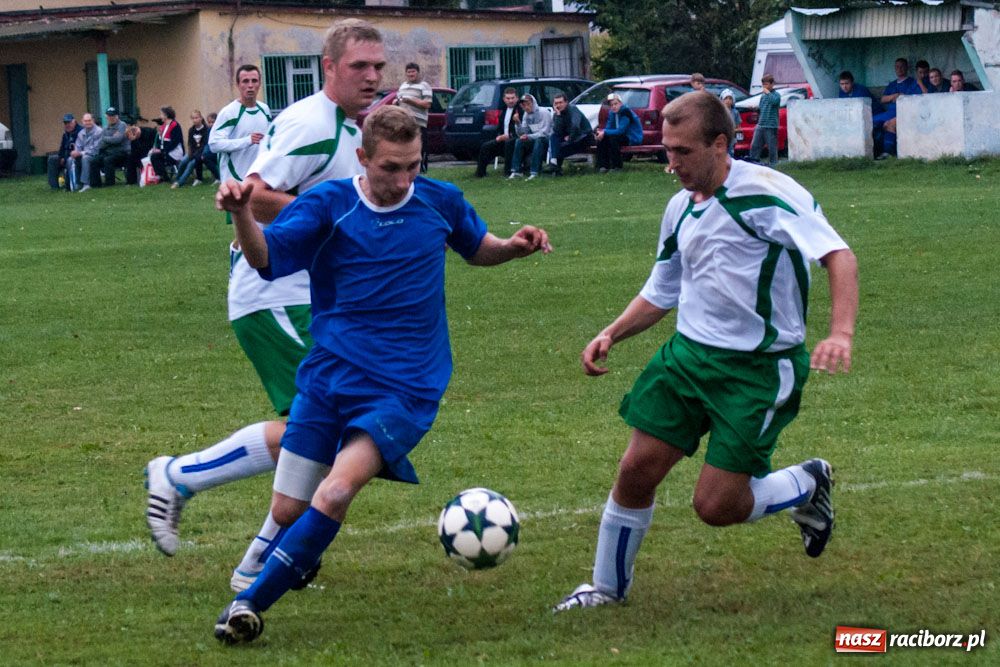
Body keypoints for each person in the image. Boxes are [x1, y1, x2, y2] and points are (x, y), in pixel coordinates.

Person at [212, 104, 552, 645]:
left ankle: (247, 605)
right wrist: (242, 215)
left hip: (405, 385)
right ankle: (290, 561)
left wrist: (511, 248)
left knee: (337, 491)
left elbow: (477, 248)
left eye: (413, 166)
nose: (403, 180)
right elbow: (264, 259)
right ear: (362, 157)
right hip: (329, 378)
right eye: (390, 167)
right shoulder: (330, 204)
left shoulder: (441, 201)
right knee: (287, 508)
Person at [553, 91, 858, 613]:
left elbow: (838, 255)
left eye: (682, 152)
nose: (671, 164)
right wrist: (613, 331)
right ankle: (605, 587)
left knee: (716, 507)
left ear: (721, 144)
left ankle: (807, 482)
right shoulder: (679, 208)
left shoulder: (769, 194)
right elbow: (663, 287)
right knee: (635, 471)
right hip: (687, 359)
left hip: (758, 369)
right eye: (666, 151)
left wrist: (840, 333)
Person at [145, 20, 385, 596]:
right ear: (329, 68)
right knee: (330, 431)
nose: (373, 77)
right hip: (273, 291)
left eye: (379, 66)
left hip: (309, 296)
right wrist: (339, 225)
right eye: (360, 67)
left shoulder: (355, 126)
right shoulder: (311, 122)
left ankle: (257, 552)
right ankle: (187, 483)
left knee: (332, 431)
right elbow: (255, 194)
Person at [209, 65, 272, 184]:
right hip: (234, 181)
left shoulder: (265, 109)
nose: (250, 86)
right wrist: (247, 140)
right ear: (238, 85)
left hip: (260, 180)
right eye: (245, 81)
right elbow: (214, 144)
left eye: (254, 81)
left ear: (259, 84)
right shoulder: (229, 112)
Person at [874, 58, 922, 158]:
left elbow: (914, 100)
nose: (899, 69)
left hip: (903, 113)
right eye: (897, 67)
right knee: (871, 122)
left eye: (901, 66)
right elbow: (883, 99)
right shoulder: (892, 84)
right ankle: (874, 151)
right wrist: (894, 96)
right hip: (889, 112)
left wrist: (901, 96)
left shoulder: (912, 82)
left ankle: (888, 152)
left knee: (888, 124)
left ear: (907, 68)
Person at [395, 62, 433, 173]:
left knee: (419, 147)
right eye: (408, 72)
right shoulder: (403, 86)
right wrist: (396, 102)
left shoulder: (424, 86)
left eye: (413, 72)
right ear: (406, 73)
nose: (411, 74)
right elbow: (400, 100)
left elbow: (427, 104)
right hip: (404, 123)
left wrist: (410, 100)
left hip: (418, 123)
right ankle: (407, 169)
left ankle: (422, 168)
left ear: (418, 72)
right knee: (405, 147)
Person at [474, 87, 520, 178]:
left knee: (509, 143)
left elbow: (522, 129)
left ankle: (508, 172)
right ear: (504, 99)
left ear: (517, 98)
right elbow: (500, 128)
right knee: (486, 146)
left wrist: (510, 134)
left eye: (512, 98)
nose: (510, 101)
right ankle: (480, 173)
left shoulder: (520, 110)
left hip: (515, 140)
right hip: (503, 138)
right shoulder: (503, 111)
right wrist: (499, 136)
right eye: (508, 98)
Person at [545, 91, 593, 176]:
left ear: (566, 102)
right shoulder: (558, 113)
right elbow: (557, 131)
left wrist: (570, 138)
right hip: (571, 137)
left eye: (561, 102)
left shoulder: (573, 109)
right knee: (553, 137)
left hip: (584, 137)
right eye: (556, 103)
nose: (558, 105)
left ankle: (555, 168)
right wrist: (558, 115)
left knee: (558, 148)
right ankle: (554, 164)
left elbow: (576, 126)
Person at [594, 93, 642, 173]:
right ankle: (603, 166)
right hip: (620, 136)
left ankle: (617, 166)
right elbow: (609, 127)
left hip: (631, 137)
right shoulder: (612, 113)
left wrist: (605, 131)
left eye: (616, 104)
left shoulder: (625, 112)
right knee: (603, 138)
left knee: (614, 139)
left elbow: (621, 130)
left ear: (621, 103)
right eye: (611, 105)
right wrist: (601, 133)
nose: (613, 106)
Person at [508, 93, 552, 180]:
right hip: (534, 139)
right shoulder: (526, 115)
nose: (526, 107)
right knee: (519, 141)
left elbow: (545, 132)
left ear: (533, 103)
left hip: (547, 140)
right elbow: (523, 133)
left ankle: (534, 172)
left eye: (528, 104)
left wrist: (529, 137)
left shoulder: (544, 112)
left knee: (539, 140)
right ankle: (516, 171)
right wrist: (517, 123)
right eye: (523, 105)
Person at [747, 73, 780, 167]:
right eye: (763, 84)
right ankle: (753, 162)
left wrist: (768, 93)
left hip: (771, 125)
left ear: (772, 84)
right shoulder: (763, 96)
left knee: (772, 147)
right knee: (755, 145)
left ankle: (774, 165)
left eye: (766, 84)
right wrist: (755, 108)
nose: (764, 87)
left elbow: (775, 102)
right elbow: (762, 108)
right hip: (761, 124)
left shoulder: (776, 95)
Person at [172, 110, 211, 188]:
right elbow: (190, 143)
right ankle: (177, 179)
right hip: (192, 152)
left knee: (191, 164)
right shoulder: (191, 130)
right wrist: (190, 153)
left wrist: (196, 153)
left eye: (196, 118)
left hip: (201, 153)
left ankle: (180, 182)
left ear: (200, 118)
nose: (194, 120)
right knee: (183, 161)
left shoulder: (205, 129)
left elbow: (205, 144)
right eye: (193, 118)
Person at [96, 107, 131, 187]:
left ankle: (109, 183)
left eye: (113, 116)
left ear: (117, 116)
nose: (111, 118)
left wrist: (105, 139)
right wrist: (111, 139)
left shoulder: (122, 125)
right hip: (109, 152)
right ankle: (96, 184)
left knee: (107, 160)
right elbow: (101, 144)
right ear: (106, 117)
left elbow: (118, 140)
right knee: (94, 161)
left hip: (122, 152)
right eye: (109, 116)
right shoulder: (105, 128)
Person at [148, 106, 184, 183]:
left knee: (155, 157)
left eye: (161, 114)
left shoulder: (175, 125)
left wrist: (161, 151)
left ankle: (163, 177)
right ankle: (162, 176)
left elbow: (175, 142)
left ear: (166, 115)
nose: (160, 116)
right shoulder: (164, 126)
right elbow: (161, 140)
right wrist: (156, 148)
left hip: (174, 152)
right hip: (166, 150)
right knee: (153, 155)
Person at [47, 113, 81, 191]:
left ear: (74, 122)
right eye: (65, 123)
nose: (67, 125)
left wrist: (64, 158)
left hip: (76, 156)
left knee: (70, 160)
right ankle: (54, 186)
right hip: (66, 156)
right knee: (52, 159)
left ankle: (71, 185)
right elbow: (62, 148)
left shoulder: (80, 132)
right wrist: (61, 157)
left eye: (69, 123)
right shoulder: (65, 134)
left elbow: (76, 149)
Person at [71, 113, 103, 193]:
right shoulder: (81, 133)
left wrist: (81, 153)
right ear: (82, 122)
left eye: (89, 120)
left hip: (97, 155)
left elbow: (96, 149)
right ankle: (74, 183)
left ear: (93, 121)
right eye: (85, 121)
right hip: (85, 154)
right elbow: (78, 146)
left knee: (85, 158)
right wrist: (75, 152)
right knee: (70, 159)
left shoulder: (99, 131)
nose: (87, 122)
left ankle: (86, 184)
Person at [125, 116, 157, 186]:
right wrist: (134, 140)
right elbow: (134, 150)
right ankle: (131, 181)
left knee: (143, 157)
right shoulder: (131, 135)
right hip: (140, 154)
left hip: (149, 153)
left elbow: (146, 149)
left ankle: (146, 179)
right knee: (130, 157)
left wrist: (135, 140)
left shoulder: (148, 132)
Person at [719, 88, 741, 156]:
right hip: (722, 137)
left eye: (730, 98)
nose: (728, 101)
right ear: (722, 100)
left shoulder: (735, 112)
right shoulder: (720, 112)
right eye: (726, 98)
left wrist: (736, 131)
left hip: (731, 138)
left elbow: (738, 127)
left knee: (730, 154)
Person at [201, 112, 221, 184]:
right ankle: (218, 176)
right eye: (209, 122)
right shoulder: (209, 130)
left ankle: (219, 177)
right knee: (205, 157)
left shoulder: (220, 130)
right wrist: (204, 153)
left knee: (207, 157)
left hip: (220, 151)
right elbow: (207, 143)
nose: (211, 124)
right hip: (212, 151)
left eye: (213, 122)